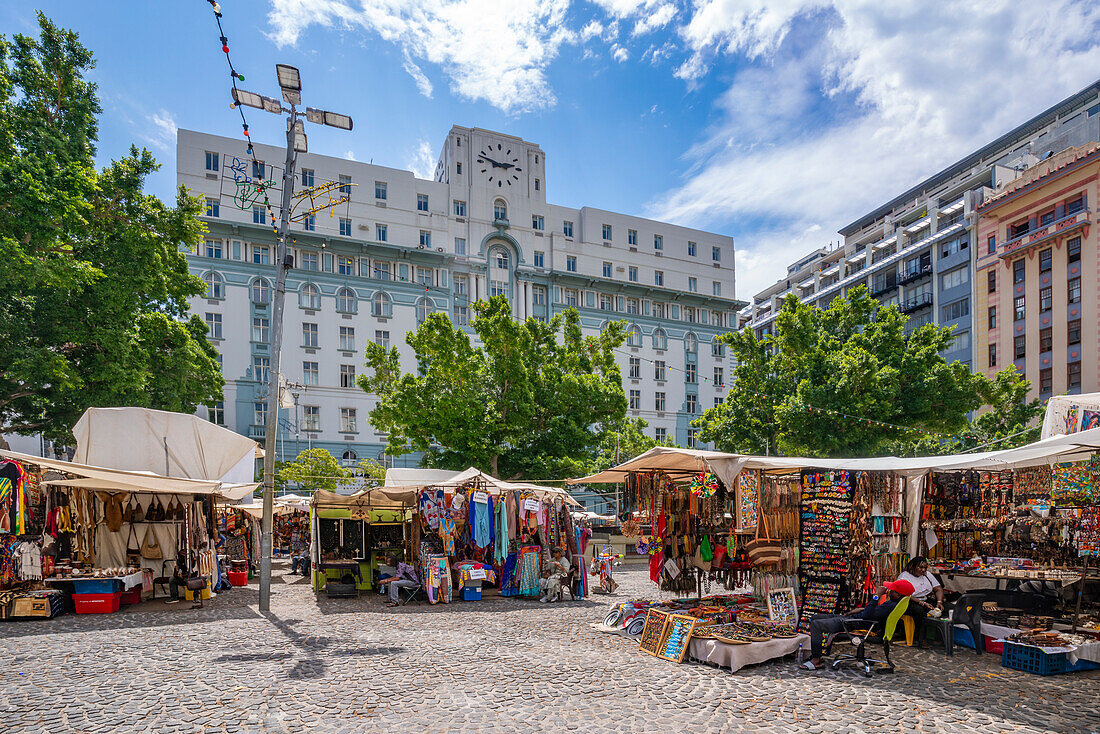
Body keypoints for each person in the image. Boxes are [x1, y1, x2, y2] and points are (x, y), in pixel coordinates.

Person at [800, 578, 914, 670]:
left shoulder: (890, 605)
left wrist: (876, 595)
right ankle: (818, 653)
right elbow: (873, 612)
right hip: (856, 619)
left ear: (898, 595)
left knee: (816, 625)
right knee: (815, 618)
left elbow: (868, 615)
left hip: (855, 624)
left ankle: (816, 660)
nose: (888, 591)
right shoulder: (894, 603)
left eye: (891, 590)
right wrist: (861, 610)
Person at [897, 556, 945, 642]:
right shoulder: (904, 576)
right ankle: (920, 638)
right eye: (921, 567)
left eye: (925, 568)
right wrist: (921, 603)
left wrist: (939, 602)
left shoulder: (927, 575)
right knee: (919, 611)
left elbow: (938, 589)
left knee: (945, 608)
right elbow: (904, 594)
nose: (923, 570)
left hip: (925, 599)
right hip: (909, 601)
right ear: (913, 566)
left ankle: (940, 637)